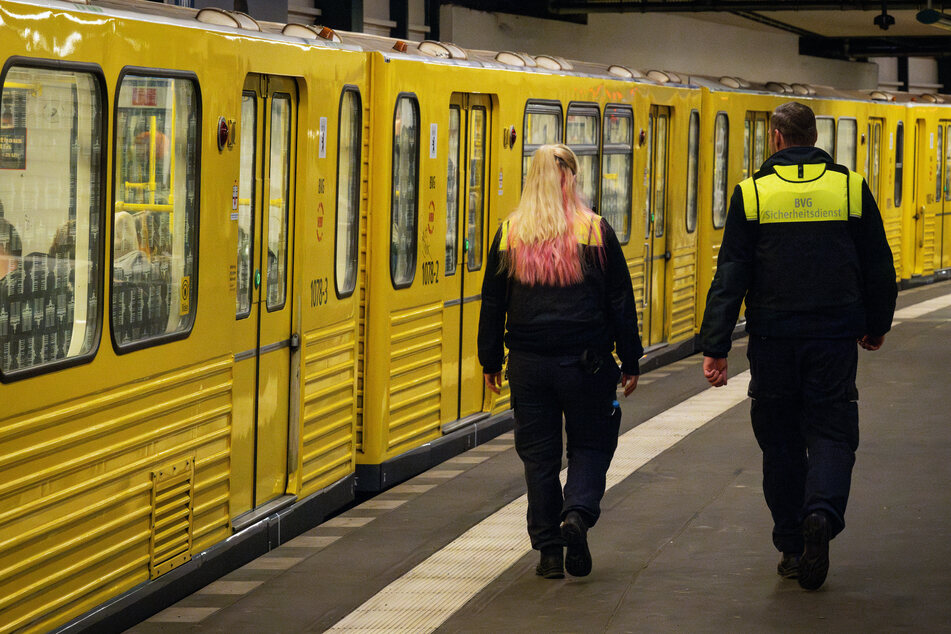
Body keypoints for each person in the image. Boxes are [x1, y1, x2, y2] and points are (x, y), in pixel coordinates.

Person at [698, 102, 897, 591]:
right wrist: (877, 324)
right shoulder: (850, 188)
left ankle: (791, 544)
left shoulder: (753, 193)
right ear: (814, 137)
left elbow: (731, 276)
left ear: (776, 138)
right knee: (832, 431)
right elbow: (879, 264)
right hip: (833, 341)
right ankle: (821, 515)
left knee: (781, 442)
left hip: (773, 341)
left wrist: (716, 346)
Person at [478, 144, 641, 579]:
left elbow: (493, 304)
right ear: (573, 177)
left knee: (540, 458)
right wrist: (631, 359)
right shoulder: (594, 231)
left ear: (531, 179)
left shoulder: (509, 233)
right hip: (585, 365)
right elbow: (620, 301)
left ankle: (549, 551)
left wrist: (490, 359)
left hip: (529, 367)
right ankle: (577, 515)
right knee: (591, 444)